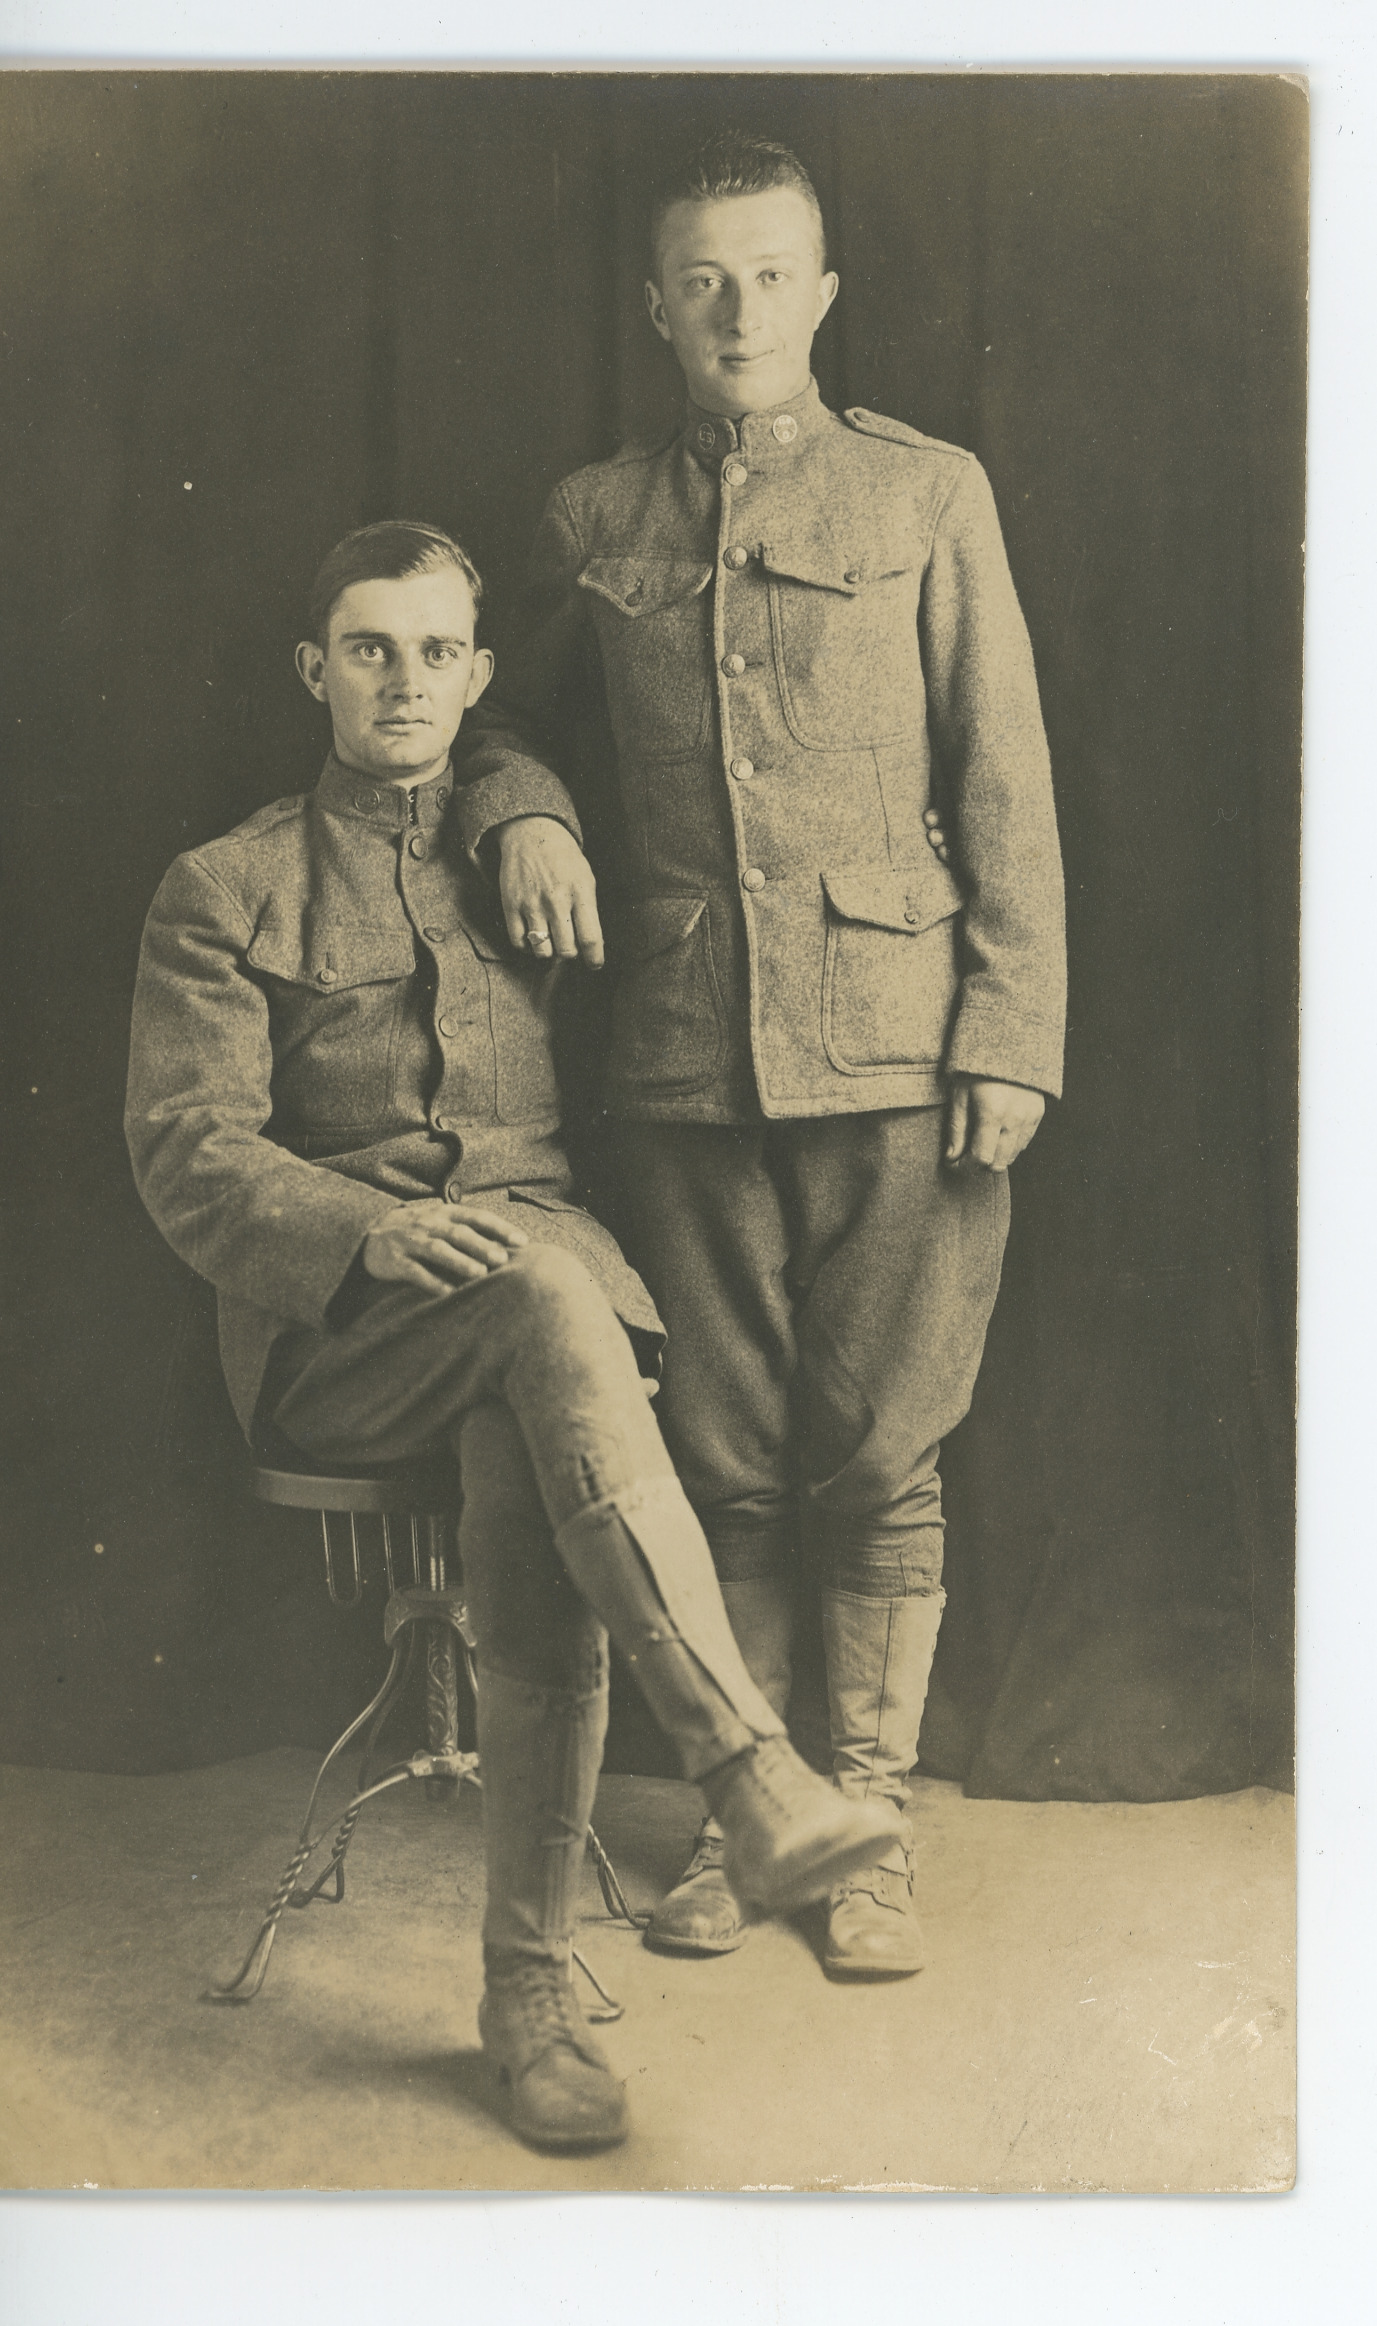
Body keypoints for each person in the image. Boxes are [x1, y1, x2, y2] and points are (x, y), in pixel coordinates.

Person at [123, 520, 898, 2153]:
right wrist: (369, 1229)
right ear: (311, 669)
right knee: (547, 1302)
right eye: (365, 649)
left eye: (433, 654)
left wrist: (525, 796)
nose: (401, 683)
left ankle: (525, 2002)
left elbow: (522, 763)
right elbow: (188, 1152)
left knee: (538, 1389)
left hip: (540, 1325)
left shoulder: (515, 838)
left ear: (476, 678)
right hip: (334, 1329)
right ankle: (750, 1773)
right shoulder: (228, 884)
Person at [456, 133, 1067, 1978]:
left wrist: (1011, 1029)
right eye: (700, 281)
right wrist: (521, 823)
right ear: (656, 308)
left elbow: (1003, 774)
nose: (736, 311)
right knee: (715, 1460)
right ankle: (757, 1819)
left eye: (769, 275)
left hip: (900, 1050)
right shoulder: (589, 520)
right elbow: (509, 734)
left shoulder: (925, 494)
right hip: (674, 1060)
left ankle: (863, 1837)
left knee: (878, 1457)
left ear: (822, 295)